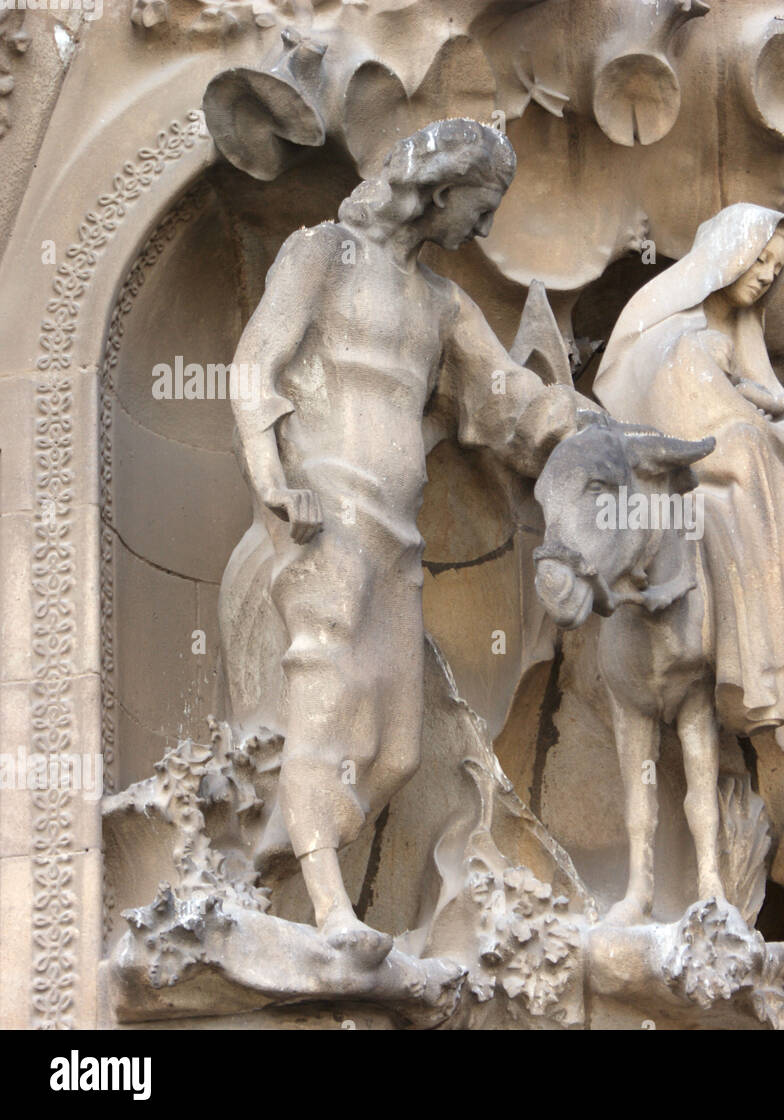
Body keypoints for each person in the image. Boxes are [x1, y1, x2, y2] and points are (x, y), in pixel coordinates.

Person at [221, 119, 578, 965]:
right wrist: (271, 478)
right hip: (324, 515)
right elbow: (253, 364)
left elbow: (509, 401)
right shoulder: (323, 254)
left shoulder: (441, 302)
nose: (484, 231)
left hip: (398, 532)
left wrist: (583, 428)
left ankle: (265, 861)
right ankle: (332, 912)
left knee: (398, 751)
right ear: (439, 188)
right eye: (481, 208)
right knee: (326, 705)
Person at [593, 203, 784, 890]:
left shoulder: (735, 336)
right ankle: (767, 661)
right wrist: (768, 435)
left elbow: (757, 405)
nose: (765, 277)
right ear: (727, 254)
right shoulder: (674, 337)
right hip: (692, 485)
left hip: (744, 478)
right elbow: (699, 427)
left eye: (775, 269)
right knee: (754, 491)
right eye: (758, 260)